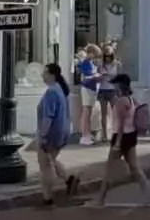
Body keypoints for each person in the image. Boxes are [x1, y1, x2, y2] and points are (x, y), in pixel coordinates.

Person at [91, 73, 150, 207]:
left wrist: (117, 143)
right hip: (131, 135)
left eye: (115, 84)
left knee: (109, 169)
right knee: (135, 168)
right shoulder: (131, 99)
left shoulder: (121, 101)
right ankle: (148, 197)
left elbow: (121, 123)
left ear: (120, 85)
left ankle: (100, 199)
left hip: (121, 136)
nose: (113, 86)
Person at [36, 64, 78, 205]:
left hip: (52, 133)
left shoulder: (51, 92)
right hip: (61, 131)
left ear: (52, 75)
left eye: (45, 73)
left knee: (45, 164)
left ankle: (47, 196)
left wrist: (42, 136)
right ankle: (68, 180)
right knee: (51, 160)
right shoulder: (59, 89)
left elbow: (48, 116)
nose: (42, 75)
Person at [77, 44, 101, 145]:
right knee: (86, 112)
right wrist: (95, 76)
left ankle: (87, 133)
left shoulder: (89, 62)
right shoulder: (85, 62)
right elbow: (86, 76)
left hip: (91, 88)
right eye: (94, 55)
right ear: (90, 53)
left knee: (88, 112)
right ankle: (84, 135)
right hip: (87, 88)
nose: (95, 58)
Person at [97, 45, 121, 142]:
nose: (107, 58)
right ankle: (104, 135)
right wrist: (101, 76)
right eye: (106, 56)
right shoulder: (100, 65)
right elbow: (97, 77)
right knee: (103, 114)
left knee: (115, 113)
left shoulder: (116, 64)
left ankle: (116, 133)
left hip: (112, 90)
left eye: (109, 56)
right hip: (103, 90)